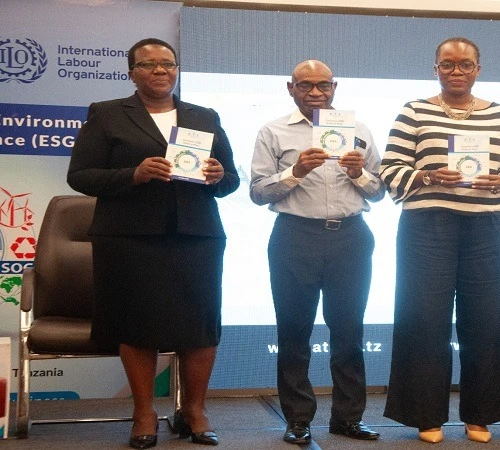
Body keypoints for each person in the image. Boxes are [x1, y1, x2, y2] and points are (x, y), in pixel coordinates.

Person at [67, 38, 240, 448]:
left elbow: (231, 180)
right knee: (137, 324)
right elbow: (80, 176)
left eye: (167, 64)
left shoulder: (204, 116)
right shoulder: (107, 115)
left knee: (199, 326)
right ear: (132, 72)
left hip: (196, 235)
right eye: (148, 65)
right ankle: (143, 412)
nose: (160, 71)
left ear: (177, 69)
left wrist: (217, 176)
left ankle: (194, 410)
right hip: (129, 237)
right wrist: (134, 174)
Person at [380, 37, 500, 444]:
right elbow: (389, 169)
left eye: (465, 64)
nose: (457, 71)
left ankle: (481, 415)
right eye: (448, 65)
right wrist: (427, 176)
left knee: (489, 320)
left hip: (489, 228)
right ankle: (425, 415)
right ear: (436, 69)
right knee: (423, 320)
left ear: (478, 69)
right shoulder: (414, 112)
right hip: (428, 227)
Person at [249, 60, 384, 445]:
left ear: (335, 87)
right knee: (294, 333)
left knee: (349, 333)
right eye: (305, 85)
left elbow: (380, 191)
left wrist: (361, 175)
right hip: (295, 237)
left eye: (323, 85)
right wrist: (295, 172)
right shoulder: (272, 131)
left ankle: (348, 419)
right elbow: (258, 192)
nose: (315, 93)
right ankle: (297, 419)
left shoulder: (358, 130)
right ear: (290, 88)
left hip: (351, 238)